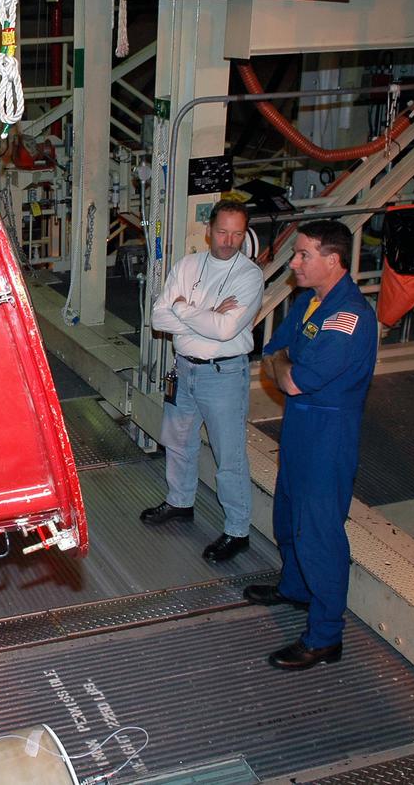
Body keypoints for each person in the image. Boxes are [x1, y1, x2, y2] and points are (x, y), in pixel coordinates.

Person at [248, 219, 377, 671]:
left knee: (320, 533)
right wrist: (283, 366)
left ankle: (325, 637)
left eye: (304, 255)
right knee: (288, 515)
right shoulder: (307, 302)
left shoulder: (349, 317)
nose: (295, 262)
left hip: (328, 436)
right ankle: (296, 589)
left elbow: (295, 379)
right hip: (300, 429)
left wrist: (285, 366)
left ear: (333, 260)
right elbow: (270, 356)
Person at [143, 201, 264, 562]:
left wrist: (182, 308)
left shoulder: (249, 276)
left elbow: (226, 329)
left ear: (245, 235)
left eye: (237, 234)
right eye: (223, 231)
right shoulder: (188, 265)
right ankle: (180, 502)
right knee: (179, 442)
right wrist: (206, 315)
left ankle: (237, 530)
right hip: (185, 368)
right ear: (208, 230)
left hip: (223, 375)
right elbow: (158, 319)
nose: (228, 241)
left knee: (229, 456)